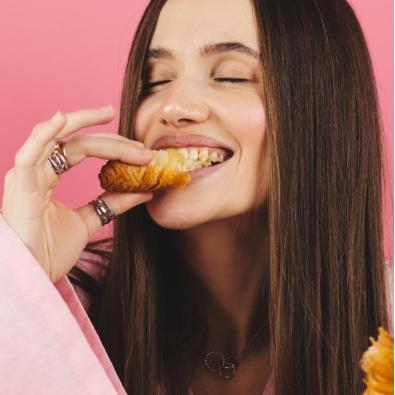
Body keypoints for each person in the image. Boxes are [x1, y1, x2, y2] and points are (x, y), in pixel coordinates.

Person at [0, 0, 392, 394]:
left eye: (231, 77)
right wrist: (20, 278)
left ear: (321, 108)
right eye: (154, 81)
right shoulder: (58, 296)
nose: (173, 107)